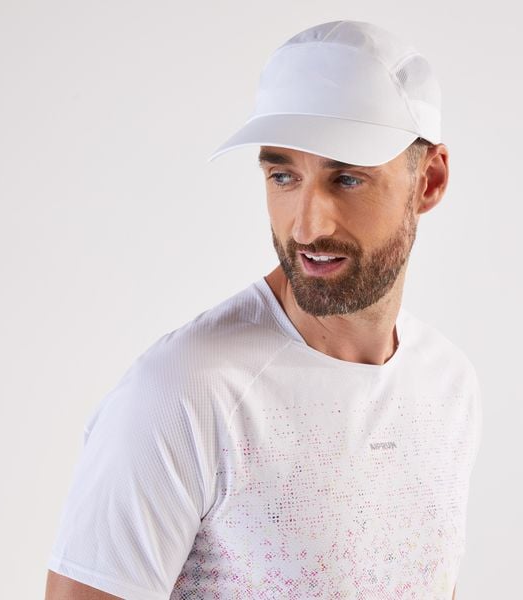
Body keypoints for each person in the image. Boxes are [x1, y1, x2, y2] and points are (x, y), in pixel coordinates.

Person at [45, 20, 482, 600]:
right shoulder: (183, 395)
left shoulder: (447, 386)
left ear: (429, 180)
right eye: (283, 176)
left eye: (347, 179)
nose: (307, 225)